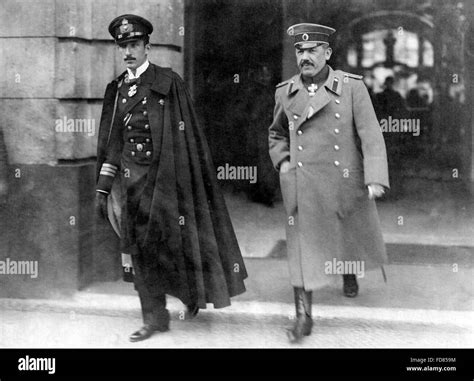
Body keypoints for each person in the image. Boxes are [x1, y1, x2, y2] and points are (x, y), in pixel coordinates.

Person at [95, 14, 247, 342]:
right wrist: (103, 186)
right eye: (123, 46)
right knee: (140, 252)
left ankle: (190, 295)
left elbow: (186, 137)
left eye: (134, 44)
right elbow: (112, 143)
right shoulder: (117, 89)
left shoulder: (167, 82)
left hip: (166, 182)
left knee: (177, 247)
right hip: (133, 185)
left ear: (147, 47)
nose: (129, 51)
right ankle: (155, 318)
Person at [268, 23, 389, 343]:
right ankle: (303, 316)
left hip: (342, 177)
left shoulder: (351, 87)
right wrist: (283, 162)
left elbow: (370, 134)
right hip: (302, 181)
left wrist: (375, 177)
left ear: (327, 53)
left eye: (312, 51)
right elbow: (276, 133)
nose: (305, 57)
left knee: (346, 230)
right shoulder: (286, 91)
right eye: (300, 51)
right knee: (300, 246)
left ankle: (348, 271)